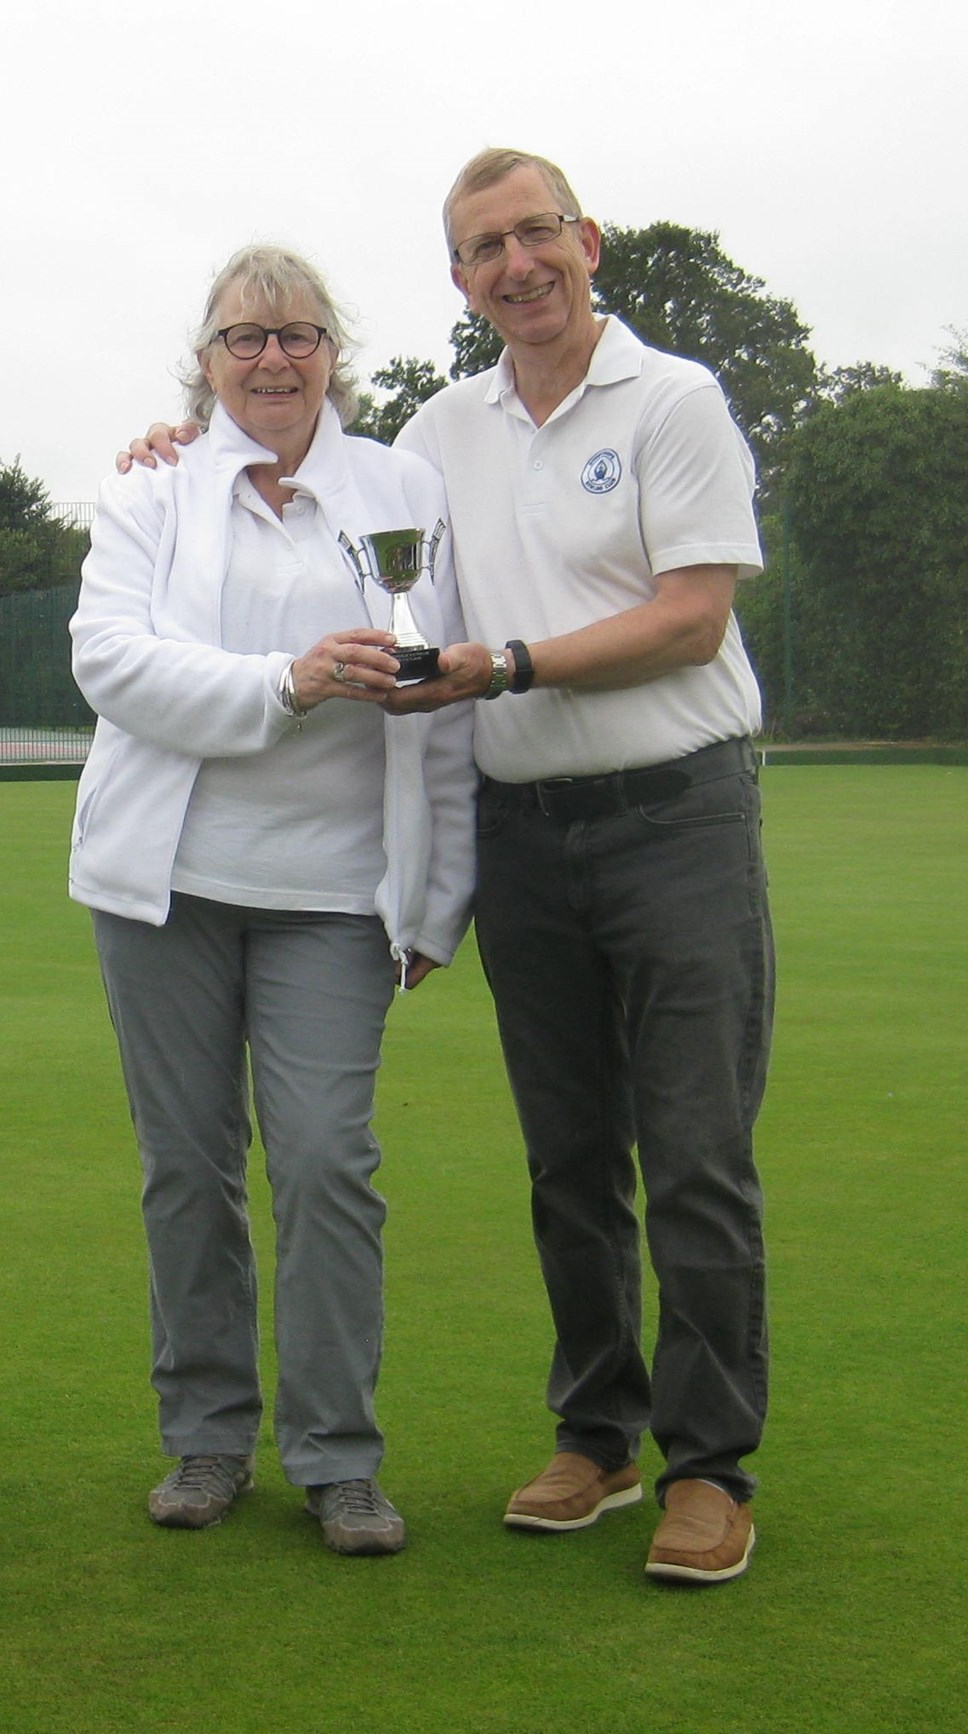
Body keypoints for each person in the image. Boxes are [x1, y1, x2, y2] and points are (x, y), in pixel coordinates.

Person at [388, 150, 773, 1586]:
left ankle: (711, 1465)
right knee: (568, 1160)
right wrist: (178, 450)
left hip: (678, 813)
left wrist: (513, 665)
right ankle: (597, 1433)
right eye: (484, 248)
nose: (516, 265)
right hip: (526, 837)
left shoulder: (671, 399)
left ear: (587, 241)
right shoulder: (437, 429)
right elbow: (349, 529)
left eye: (535, 233)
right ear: (461, 280)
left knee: (695, 1156)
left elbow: (689, 618)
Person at [71, 247, 475, 1556]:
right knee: (186, 1170)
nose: (273, 357)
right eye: (245, 337)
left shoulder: (403, 487)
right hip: (163, 886)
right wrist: (286, 684)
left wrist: (438, 894)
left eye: (298, 333)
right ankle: (205, 1436)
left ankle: (339, 1454)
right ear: (209, 359)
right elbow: (113, 663)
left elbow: (446, 695)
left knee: (323, 1162)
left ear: (332, 352)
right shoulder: (150, 489)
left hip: (335, 891)